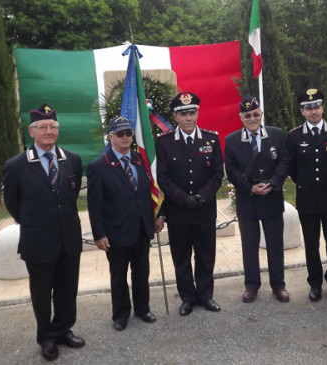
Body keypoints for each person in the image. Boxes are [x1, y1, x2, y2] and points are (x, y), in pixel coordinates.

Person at [3, 103, 85, 361]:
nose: (49, 131)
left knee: (67, 289)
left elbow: (69, 196)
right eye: (43, 127)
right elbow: (12, 203)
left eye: (53, 127)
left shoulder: (72, 159)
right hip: (38, 240)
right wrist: (34, 222)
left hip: (69, 239)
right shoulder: (16, 165)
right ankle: (47, 337)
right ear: (32, 131)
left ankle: (63, 330)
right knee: (41, 293)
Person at [87, 117, 164, 331]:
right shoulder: (98, 167)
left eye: (128, 133)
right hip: (116, 233)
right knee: (119, 276)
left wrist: (159, 215)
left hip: (142, 228)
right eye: (119, 133)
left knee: (141, 272)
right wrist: (99, 234)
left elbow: (153, 189)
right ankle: (120, 314)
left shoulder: (141, 161)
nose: (125, 137)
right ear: (110, 137)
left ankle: (142, 308)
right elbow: (94, 206)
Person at [155, 91, 224, 316]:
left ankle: (205, 296)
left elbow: (216, 174)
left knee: (206, 256)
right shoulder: (164, 143)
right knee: (181, 257)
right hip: (179, 212)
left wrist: (202, 196)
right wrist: (184, 199)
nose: (188, 118)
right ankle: (187, 298)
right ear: (175, 117)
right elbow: (163, 177)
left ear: (197, 113)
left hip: (204, 210)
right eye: (183, 113)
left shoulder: (211, 139)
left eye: (192, 112)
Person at [224, 94, 290, 304]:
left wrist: (272, 183)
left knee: (275, 244)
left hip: (271, 198)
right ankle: (252, 286)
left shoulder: (276, 135)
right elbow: (231, 169)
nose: (252, 118)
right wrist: (250, 187)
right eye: (247, 115)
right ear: (241, 117)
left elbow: (284, 161)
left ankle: (278, 286)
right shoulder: (232, 140)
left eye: (255, 114)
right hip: (248, 200)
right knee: (249, 246)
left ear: (261, 114)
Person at [286, 88, 327, 302]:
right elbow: (292, 169)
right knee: (311, 245)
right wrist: (307, 184)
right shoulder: (293, 137)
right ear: (302, 111)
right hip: (307, 200)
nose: (313, 111)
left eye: (317, 106)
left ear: (322, 108)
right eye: (308, 108)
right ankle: (315, 283)